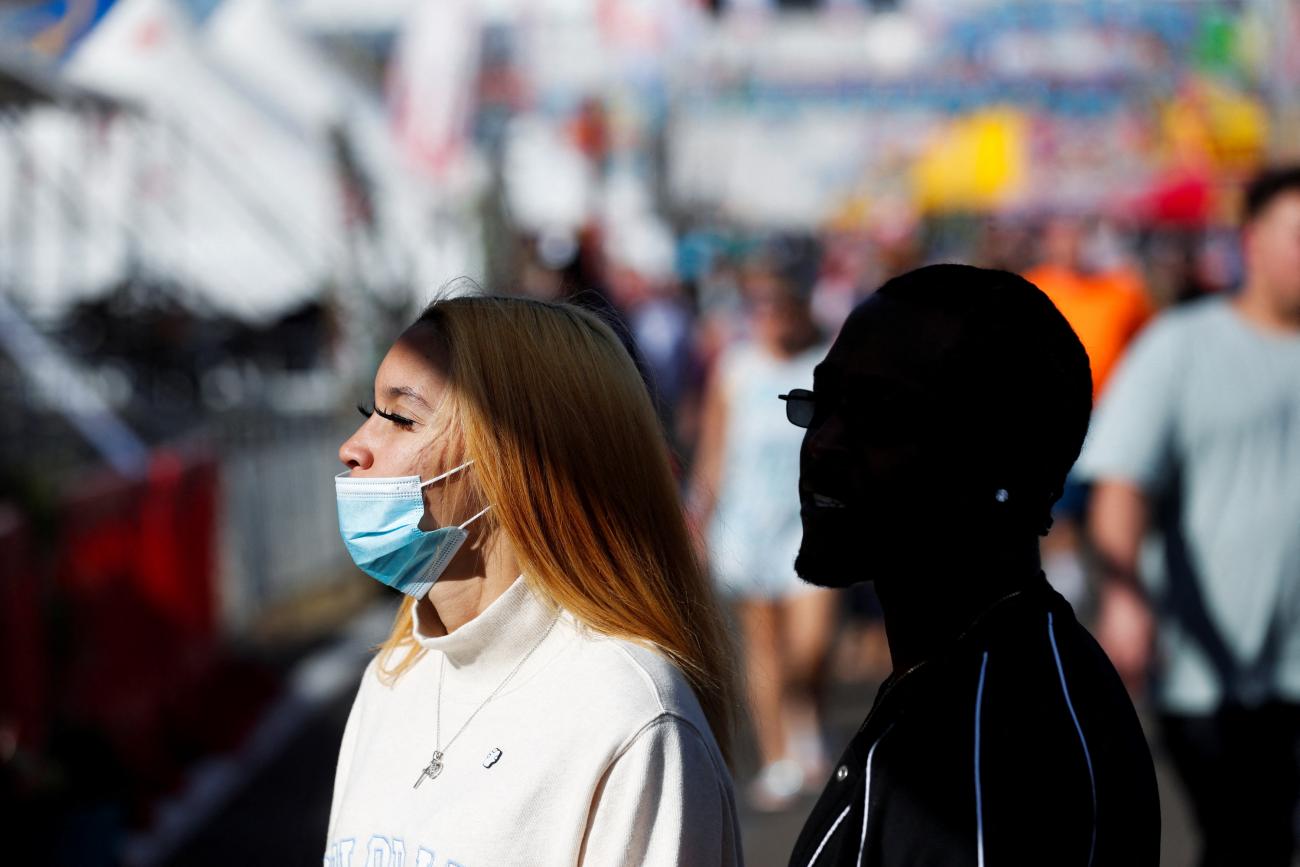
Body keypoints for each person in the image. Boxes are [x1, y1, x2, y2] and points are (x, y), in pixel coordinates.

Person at [325, 295, 743, 866]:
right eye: (367, 412)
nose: (354, 448)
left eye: (400, 417)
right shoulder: (395, 674)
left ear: (521, 456)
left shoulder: (630, 715)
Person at [785, 265, 1160, 866]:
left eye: (877, 413)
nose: (824, 441)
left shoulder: (999, 737)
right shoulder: (959, 678)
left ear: (1000, 456)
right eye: (822, 402)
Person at [1078, 166, 1300, 867]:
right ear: (1251, 243)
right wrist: (1122, 597)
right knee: (1245, 840)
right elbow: (1120, 483)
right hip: (1211, 671)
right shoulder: (1182, 346)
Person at [690, 252, 839, 811]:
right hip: (746, 526)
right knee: (763, 646)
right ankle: (779, 757)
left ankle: (807, 724)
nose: (771, 315)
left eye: (780, 304)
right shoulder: (736, 369)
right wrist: (697, 520)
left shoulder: (827, 364)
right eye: (762, 305)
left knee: (812, 647)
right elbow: (712, 451)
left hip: (811, 526)